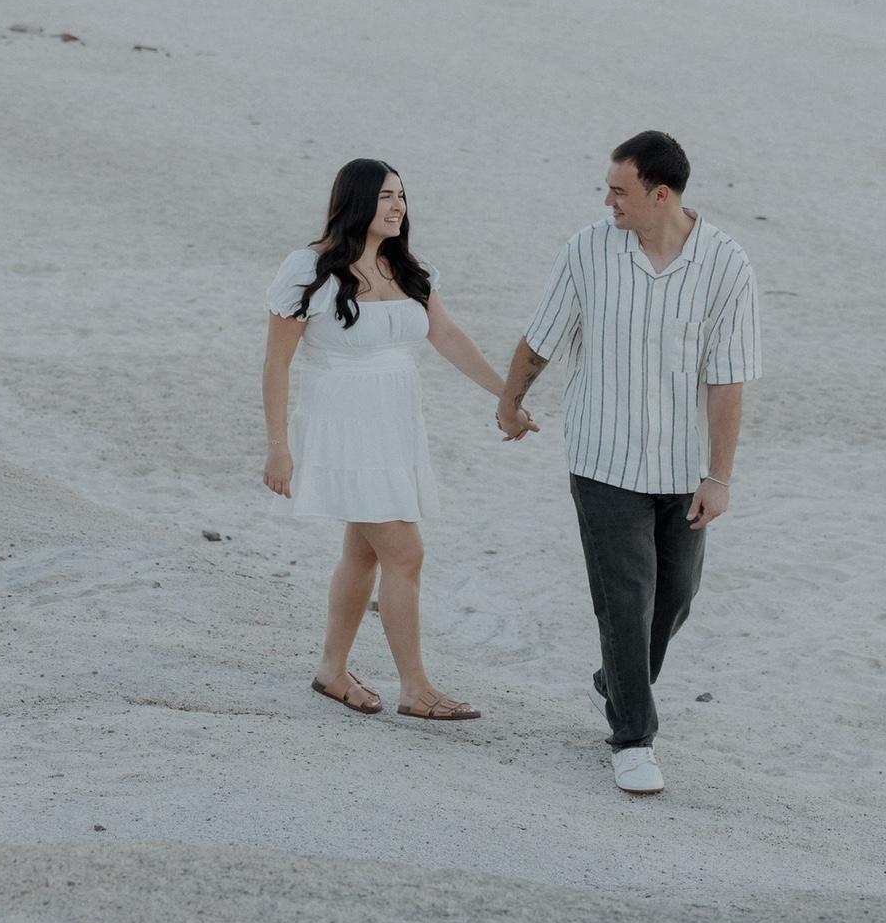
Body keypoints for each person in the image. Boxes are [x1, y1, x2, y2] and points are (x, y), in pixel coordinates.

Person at [497, 131, 761, 794]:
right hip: (603, 458)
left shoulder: (726, 264)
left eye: (619, 190)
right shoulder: (587, 250)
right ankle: (633, 737)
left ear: (660, 194)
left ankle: (612, 685)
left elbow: (727, 379)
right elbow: (541, 339)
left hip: (683, 466)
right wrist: (510, 402)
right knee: (626, 599)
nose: (607, 201)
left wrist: (720, 476)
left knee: (675, 597)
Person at [263, 158, 519, 721]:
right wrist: (279, 446)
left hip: (394, 427)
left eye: (401, 195)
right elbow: (276, 364)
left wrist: (506, 396)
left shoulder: (407, 269)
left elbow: (446, 335)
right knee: (405, 552)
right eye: (385, 196)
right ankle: (416, 688)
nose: (397, 205)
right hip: (342, 428)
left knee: (363, 552)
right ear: (355, 200)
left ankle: (332, 670)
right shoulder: (309, 269)